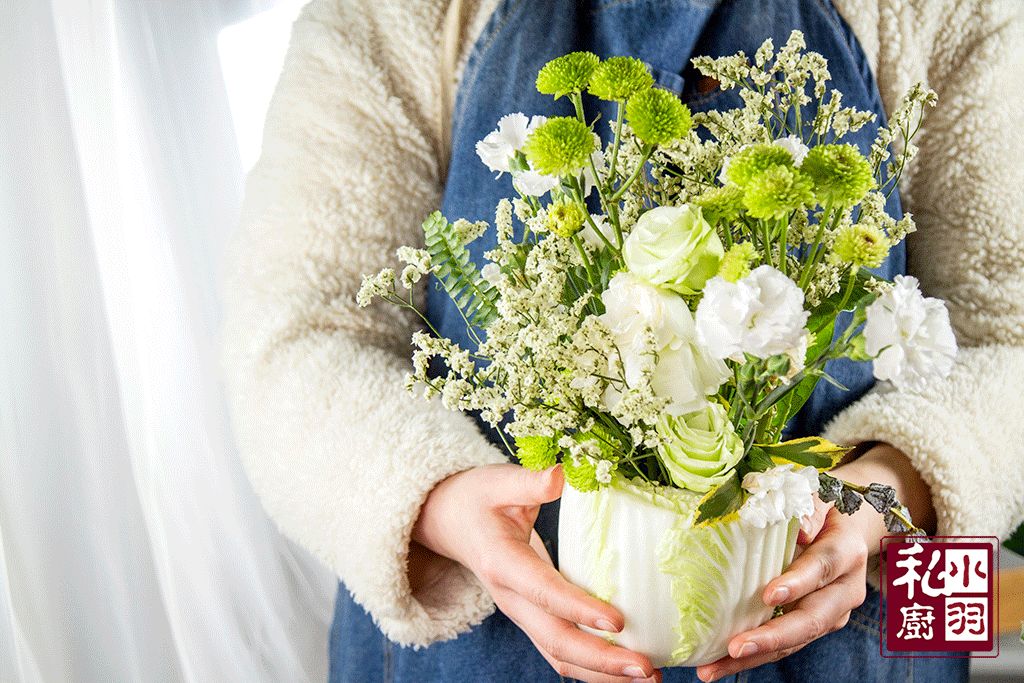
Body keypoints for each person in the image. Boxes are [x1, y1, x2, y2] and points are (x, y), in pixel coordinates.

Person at [220, 0, 1024, 681]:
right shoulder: (396, 15)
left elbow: (1008, 339)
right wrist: (439, 505)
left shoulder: (947, 12)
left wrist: (891, 492)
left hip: (863, 615)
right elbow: (297, 336)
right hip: (480, 629)